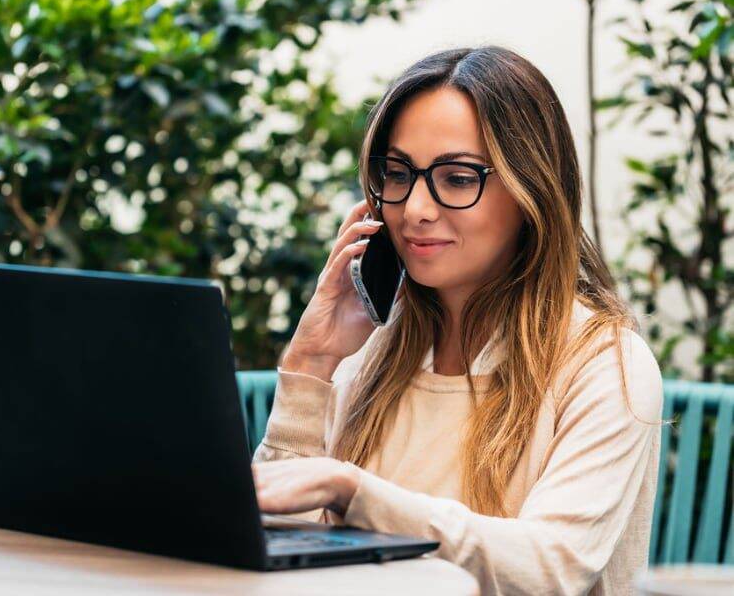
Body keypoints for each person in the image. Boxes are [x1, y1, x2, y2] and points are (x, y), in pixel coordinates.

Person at [250, 46, 663, 595]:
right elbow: (278, 557)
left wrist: (351, 490)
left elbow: (549, 570)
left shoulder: (604, 362)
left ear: (531, 190)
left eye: (458, 178)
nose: (415, 208)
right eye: (397, 173)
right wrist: (311, 365)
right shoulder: (370, 352)